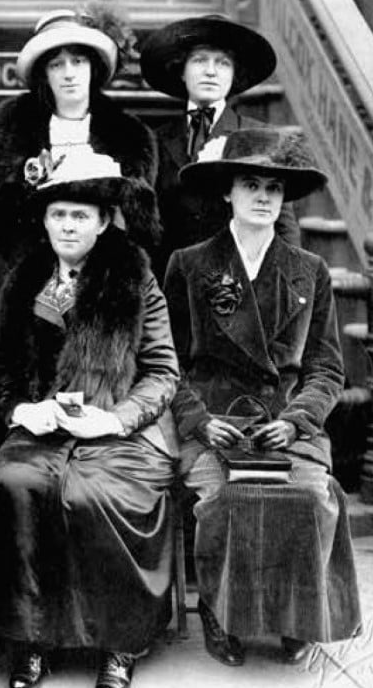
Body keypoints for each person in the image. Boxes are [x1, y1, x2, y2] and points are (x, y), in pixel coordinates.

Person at [164, 128, 361, 668]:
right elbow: (167, 364)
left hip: (285, 423)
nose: (262, 197)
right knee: (224, 499)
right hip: (215, 422)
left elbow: (325, 368)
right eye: (250, 184)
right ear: (226, 191)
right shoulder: (189, 264)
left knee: (310, 498)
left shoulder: (310, 270)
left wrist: (297, 422)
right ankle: (219, 613)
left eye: (274, 188)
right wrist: (200, 422)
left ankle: (296, 618)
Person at [0, 148, 178, 688]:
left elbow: (163, 372)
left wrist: (114, 420)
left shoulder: (135, 279)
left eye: (80, 215)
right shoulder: (20, 283)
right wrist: (27, 409)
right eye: (58, 214)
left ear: (101, 221)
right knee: (16, 483)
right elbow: (5, 378)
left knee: (96, 494)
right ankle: (31, 640)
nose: (68, 225)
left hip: (123, 430)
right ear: (43, 219)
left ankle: (119, 643)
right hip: (44, 432)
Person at [0, 5, 160, 304]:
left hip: (103, 291)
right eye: (56, 65)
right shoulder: (11, 130)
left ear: (93, 68)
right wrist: (8, 286)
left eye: (78, 61)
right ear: (44, 75)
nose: (69, 74)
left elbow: (141, 230)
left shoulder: (130, 137)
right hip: (28, 290)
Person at [140, 14, 301, 279]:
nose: (211, 71)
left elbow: (283, 225)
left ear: (234, 74)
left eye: (223, 63)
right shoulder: (155, 141)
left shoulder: (260, 136)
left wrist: (287, 286)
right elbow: (145, 230)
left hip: (241, 287)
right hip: (174, 290)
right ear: (181, 70)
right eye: (200, 60)